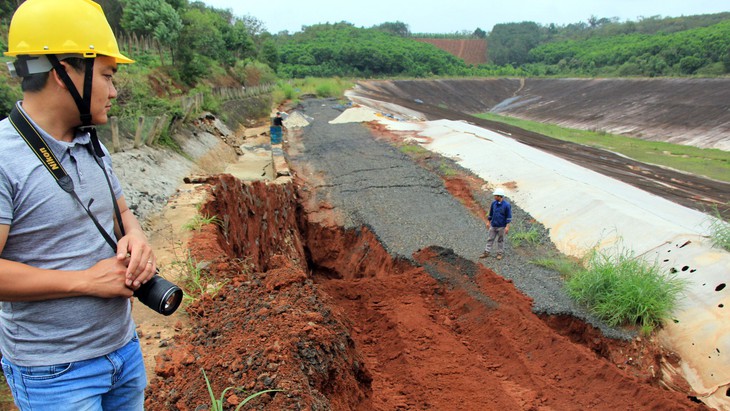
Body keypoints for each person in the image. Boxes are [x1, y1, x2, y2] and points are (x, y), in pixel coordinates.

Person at [0, 0, 155, 409]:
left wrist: (137, 239)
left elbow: (121, 212)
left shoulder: (89, 141)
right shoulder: (4, 157)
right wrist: (85, 281)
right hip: (56, 372)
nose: (114, 90)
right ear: (63, 72)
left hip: (122, 350)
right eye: (107, 75)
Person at [479, 188, 512, 260]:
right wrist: (488, 222)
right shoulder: (493, 204)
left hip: (502, 226)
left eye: (495, 196)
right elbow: (490, 213)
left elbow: (508, 217)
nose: (494, 197)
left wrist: (507, 227)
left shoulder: (506, 205)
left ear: (500, 196)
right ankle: (486, 252)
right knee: (490, 239)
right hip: (493, 225)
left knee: (500, 240)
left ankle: (499, 253)